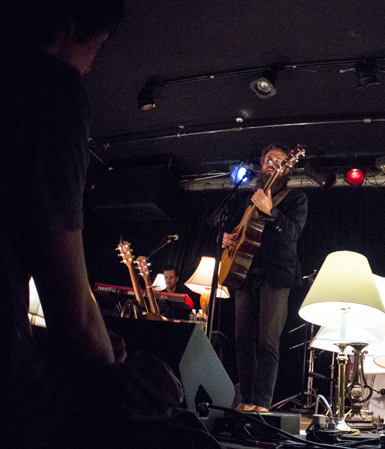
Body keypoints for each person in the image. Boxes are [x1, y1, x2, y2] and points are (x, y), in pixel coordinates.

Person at [1, 3, 220, 448]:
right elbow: (71, 312)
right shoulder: (51, 87)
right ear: (71, 23)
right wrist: (118, 375)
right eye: (97, 48)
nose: (90, 68)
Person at [222, 144, 308, 412]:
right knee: (242, 341)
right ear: (261, 164)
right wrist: (226, 238)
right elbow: (236, 231)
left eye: (279, 161)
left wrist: (272, 211)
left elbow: (293, 234)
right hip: (245, 274)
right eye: (269, 159)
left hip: (277, 276)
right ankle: (246, 400)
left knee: (268, 341)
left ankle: (261, 404)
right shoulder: (248, 199)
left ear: (287, 168)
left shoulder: (296, 198)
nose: (273, 163)